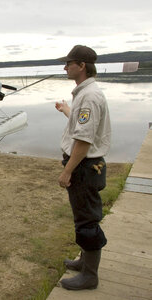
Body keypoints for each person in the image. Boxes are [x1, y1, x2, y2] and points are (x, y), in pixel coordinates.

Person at [55, 45, 111, 290]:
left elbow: (85, 140)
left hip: (84, 168)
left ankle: (90, 275)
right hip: (87, 166)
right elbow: (83, 125)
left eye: (69, 63)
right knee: (82, 217)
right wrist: (67, 110)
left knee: (86, 221)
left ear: (82, 66)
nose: (65, 67)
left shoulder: (89, 96)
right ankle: (83, 262)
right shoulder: (85, 93)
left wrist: (67, 171)